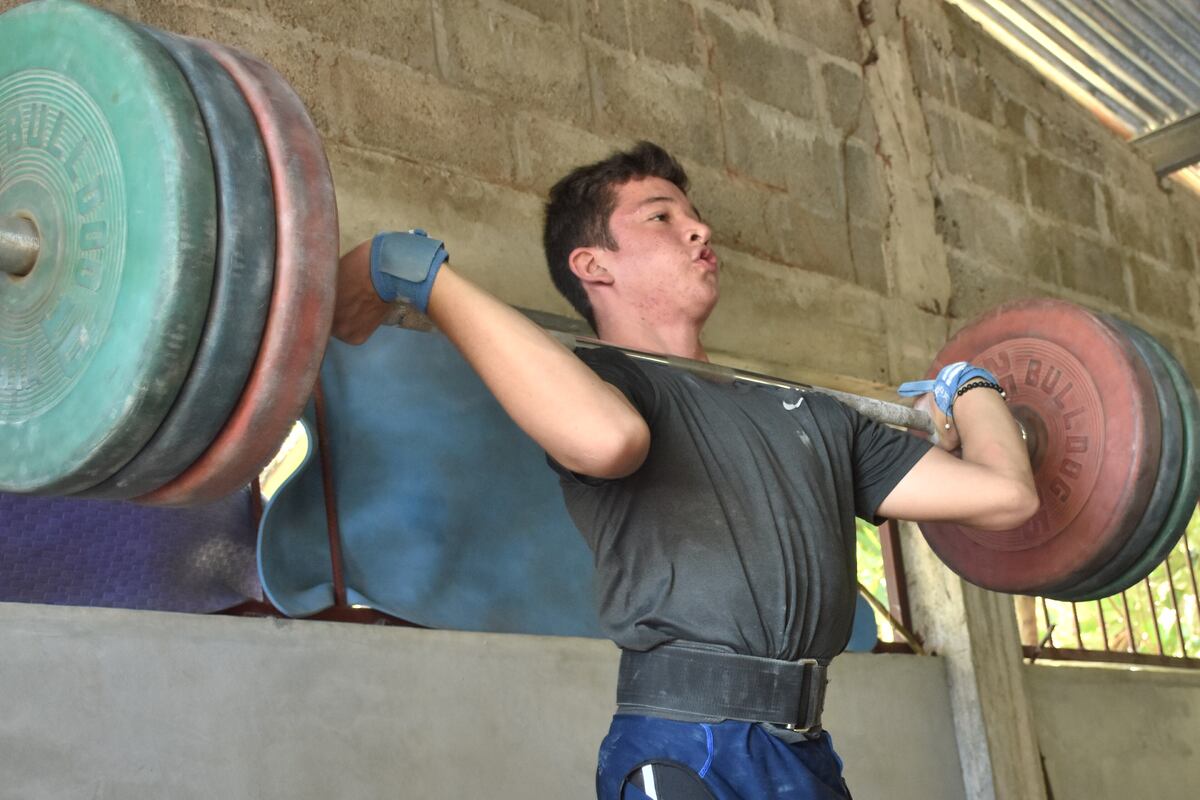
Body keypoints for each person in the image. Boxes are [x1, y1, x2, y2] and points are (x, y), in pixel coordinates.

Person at [332, 142, 1037, 799]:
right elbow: (606, 440)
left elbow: (1005, 497)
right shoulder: (606, 386)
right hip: (685, 742)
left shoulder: (816, 415)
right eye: (662, 218)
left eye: (697, 219)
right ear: (593, 265)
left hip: (802, 747)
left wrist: (971, 384)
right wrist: (414, 272)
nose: (700, 232)